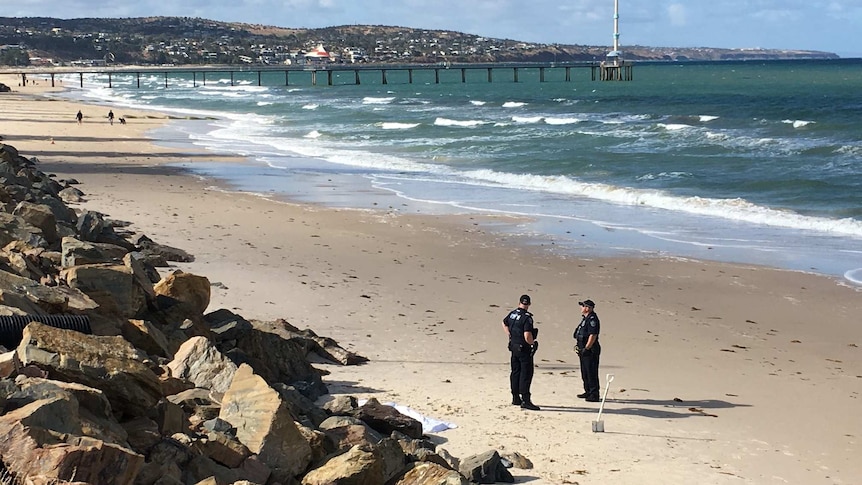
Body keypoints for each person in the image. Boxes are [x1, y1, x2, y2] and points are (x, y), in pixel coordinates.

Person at [502, 294, 540, 410]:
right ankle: (526, 399)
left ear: (519, 302)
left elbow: (504, 323)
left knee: (515, 372)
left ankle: (515, 397)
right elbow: (527, 335)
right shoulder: (527, 318)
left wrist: (510, 335)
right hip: (523, 348)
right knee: (526, 373)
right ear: (529, 304)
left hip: (513, 346)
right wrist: (532, 343)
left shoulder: (513, 313)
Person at [574, 299, 601, 402]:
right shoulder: (585, 318)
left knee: (591, 372)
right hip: (582, 348)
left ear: (588, 308)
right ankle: (588, 391)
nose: (581, 308)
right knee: (585, 372)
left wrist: (587, 348)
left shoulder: (592, 319)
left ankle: (594, 394)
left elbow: (593, 335)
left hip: (590, 350)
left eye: (583, 306)